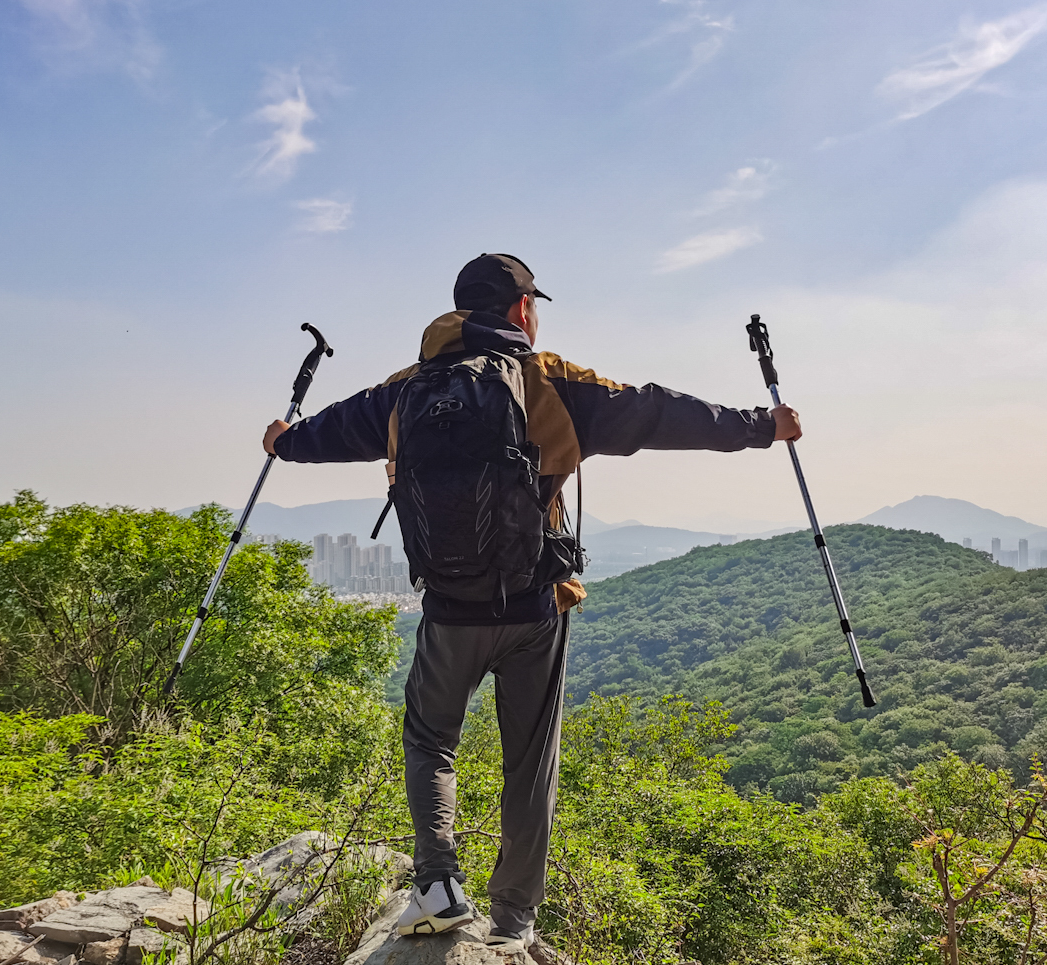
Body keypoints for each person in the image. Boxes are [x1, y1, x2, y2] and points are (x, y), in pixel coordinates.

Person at [263, 253, 801, 949]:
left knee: (430, 739)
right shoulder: (553, 383)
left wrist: (285, 440)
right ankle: (512, 924)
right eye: (533, 305)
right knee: (529, 761)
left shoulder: (404, 391)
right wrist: (762, 425)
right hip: (531, 607)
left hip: (448, 610)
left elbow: (326, 432)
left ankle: (436, 884)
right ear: (521, 310)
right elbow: (660, 412)